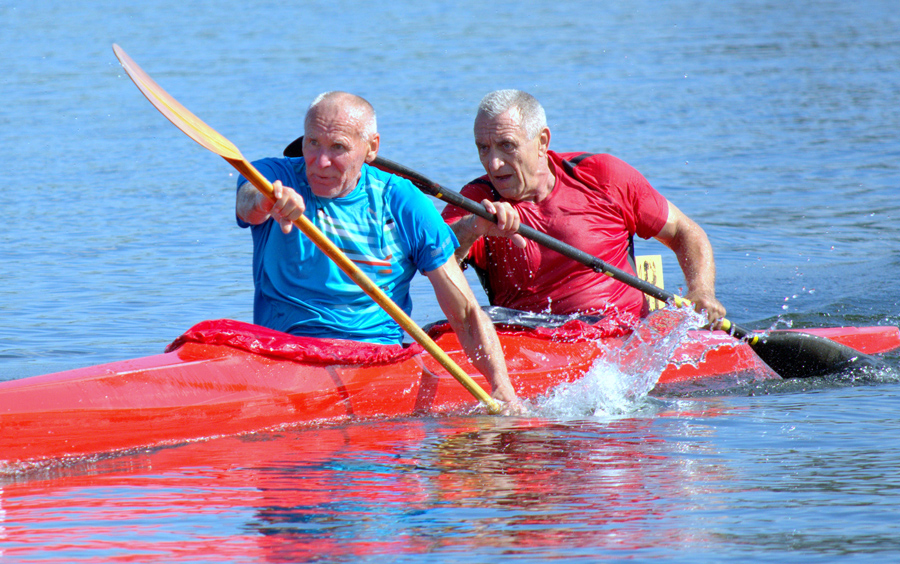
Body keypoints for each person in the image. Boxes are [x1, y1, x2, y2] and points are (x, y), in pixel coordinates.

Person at [235, 91, 516, 403]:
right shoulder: (273, 176)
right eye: (312, 142)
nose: (320, 161)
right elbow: (247, 202)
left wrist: (501, 387)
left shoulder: (403, 201)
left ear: (371, 149)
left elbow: (464, 312)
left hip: (375, 362)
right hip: (285, 355)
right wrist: (267, 200)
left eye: (338, 147)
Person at [441, 89, 725, 324]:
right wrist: (472, 228)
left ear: (542, 141)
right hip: (529, 338)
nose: (493, 163)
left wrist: (701, 291)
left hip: (619, 335)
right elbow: (435, 262)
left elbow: (683, 232)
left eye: (507, 146)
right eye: (483, 148)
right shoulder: (476, 201)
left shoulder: (602, 175)